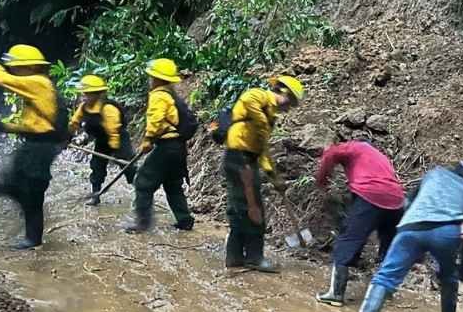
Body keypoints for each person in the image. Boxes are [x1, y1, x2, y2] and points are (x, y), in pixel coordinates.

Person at [336, 162, 463, 312]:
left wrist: (413, 244)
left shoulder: (435, 174)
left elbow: (406, 203)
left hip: (411, 228)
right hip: (447, 231)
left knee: (385, 277)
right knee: (449, 278)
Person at [210, 75, 304, 272]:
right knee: (253, 210)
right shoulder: (258, 96)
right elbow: (248, 104)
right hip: (239, 159)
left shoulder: (270, 117)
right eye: (291, 102)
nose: (289, 108)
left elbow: (262, 149)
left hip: (248, 159)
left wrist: (273, 174)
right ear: (284, 93)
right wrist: (263, 123)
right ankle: (254, 257)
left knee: (240, 208)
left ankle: (234, 257)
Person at [0, 44, 66, 250]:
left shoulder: (38, 82)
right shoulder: (39, 85)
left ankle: (33, 240)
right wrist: (7, 127)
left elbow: (1, 79)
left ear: (28, 68)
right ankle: (9, 190)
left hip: (41, 146)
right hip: (36, 143)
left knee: (33, 191)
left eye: (15, 67)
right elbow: (33, 124)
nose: (13, 71)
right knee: (19, 180)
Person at [313, 138, 405, 306]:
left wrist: (322, 182)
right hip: (397, 199)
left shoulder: (351, 147)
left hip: (370, 194)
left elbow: (329, 154)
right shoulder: (378, 156)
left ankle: (335, 294)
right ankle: (384, 292)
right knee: (388, 246)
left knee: (347, 240)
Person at [126, 58, 194, 233]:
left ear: (156, 79)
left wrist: (148, 140)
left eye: (151, 77)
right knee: (172, 185)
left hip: (167, 146)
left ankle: (142, 223)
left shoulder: (158, 95)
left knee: (142, 181)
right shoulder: (171, 95)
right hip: (178, 148)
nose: (149, 80)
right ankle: (185, 220)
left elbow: (155, 121)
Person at [68, 74, 135, 205]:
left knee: (127, 167)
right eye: (83, 94)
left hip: (118, 140)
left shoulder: (108, 108)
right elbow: (74, 123)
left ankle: (142, 194)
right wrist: (66, 137)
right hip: (102, 141)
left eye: (87, 94)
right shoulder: (84, 107)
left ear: (96, 94)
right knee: (97, 166)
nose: (83, 97)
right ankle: (95, 195)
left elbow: (113, 130)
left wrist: (116, 153)